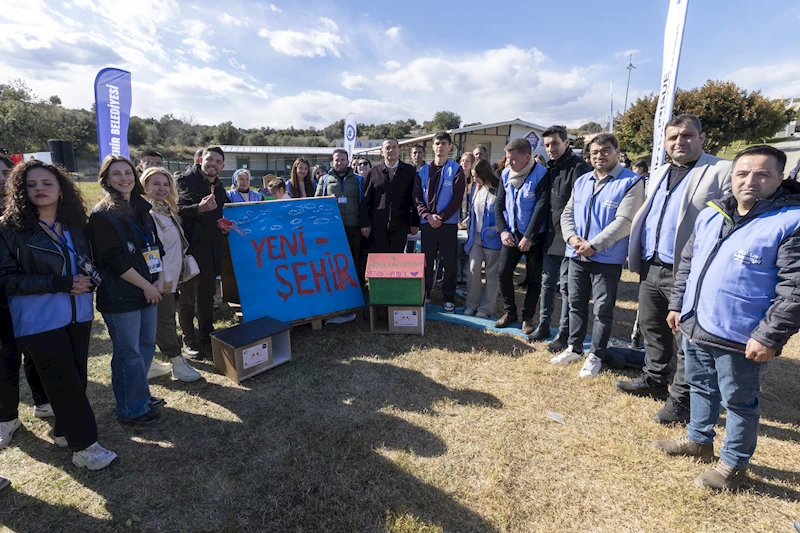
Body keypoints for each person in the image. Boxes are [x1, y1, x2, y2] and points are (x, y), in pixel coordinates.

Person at [652, 146, 800, 491]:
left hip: (742, 333)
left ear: (780, 177)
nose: (750, 181)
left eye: (762, 174)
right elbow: (688, 262)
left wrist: (769, 336)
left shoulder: (791, 222)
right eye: (742, 173)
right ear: (731, 176)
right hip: (697, 323)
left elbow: (795, 289)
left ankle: (733, 465)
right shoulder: (712, 213)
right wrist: (677, 305)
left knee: (739, 401)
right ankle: (698, 441)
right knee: (700, 386)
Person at [0, 159, 117, 468]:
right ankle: (85, 448)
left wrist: (90, 281)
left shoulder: (77, 225)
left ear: (61, 189)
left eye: (47, 183)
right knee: (64, 381)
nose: (39, 189)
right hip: (38, 320)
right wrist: (59, 283)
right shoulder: (10, 229)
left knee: (77, 378)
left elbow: (88, 262)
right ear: (20, 191)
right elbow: (6, 279)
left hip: (79, 315)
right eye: (31, 184)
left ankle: (64, 431)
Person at [617, 114, 732, 425]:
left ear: (702, 137)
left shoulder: (721, 170)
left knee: (684, 339)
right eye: (672, 138)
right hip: (652, 265)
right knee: (653, 328)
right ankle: (655, 379)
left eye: (687, 136)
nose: (679, 142)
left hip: (688, 272)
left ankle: (682, 400)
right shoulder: (661, 171)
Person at [551, 133, 645, 378]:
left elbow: (625, 221)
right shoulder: (582, 181)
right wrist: (572, 238)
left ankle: (596, 355)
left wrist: (595, 245)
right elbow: (567, 213)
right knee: (575, 304)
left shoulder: (631, 182)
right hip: (576, 254)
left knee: (602, 310)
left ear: (616, 151)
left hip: (606, 258)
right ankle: (574, 347)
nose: (599, 156)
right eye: (594, 152)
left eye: (605, 151)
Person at [89, 155, 166, 427]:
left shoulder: (142, 208)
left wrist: (158, 280)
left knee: (145, 347)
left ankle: (139, 395)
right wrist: (148, 286)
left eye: (128, 172)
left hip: (149, 290)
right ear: (107, 180)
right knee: (128, 354)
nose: (124, 178)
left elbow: (155, 247)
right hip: (122, 296)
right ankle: (131, 409)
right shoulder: (101, 216)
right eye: (116, 174)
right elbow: (114, 261)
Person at [0, 156, 53, 450]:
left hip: (31, 297)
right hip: (4, 299)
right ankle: (7, 417)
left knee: (36, 354)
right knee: (6, 360)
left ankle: (42, 400)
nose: (1, 179)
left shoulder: (31, 215)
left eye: (6, 172)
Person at [140, 168, 202, 383]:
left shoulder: (167, 210)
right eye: (155, 184)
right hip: (160, 278)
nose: (161, 188)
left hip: (170, 276)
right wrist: (162, 277)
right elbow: (151, 250)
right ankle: (177, 362)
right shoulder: (147, 215)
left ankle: (147, 364)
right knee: (165, 320)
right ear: (145, 185)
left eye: (165, 184)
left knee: (156, 320)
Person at [531, 126, 592, 346]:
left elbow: (582, 207)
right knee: (547, 284)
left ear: (567, 143)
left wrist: (575, 238)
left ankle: (564, 334)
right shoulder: (550, 168)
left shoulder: (580, 168)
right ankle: (544, 325)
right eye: (547, 145)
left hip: (571, 239)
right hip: (550, 237)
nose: (550, 149)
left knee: (567, 289)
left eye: (555, 143)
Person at [493, 138, 550, 333]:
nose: (508, 162)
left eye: (513, 159)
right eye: (507, 158)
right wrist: (502, 231)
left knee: (533, 279)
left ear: (527, 157)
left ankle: (527, 317)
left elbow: (542, 207)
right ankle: (510, 312)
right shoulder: (506, 174)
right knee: (503, 273)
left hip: (534, 236)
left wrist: (530, 236)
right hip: (511, 234)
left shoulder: (542, 174)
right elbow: (499, 204)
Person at [177, 146, 229, 357]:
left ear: (222, 166)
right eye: (210, 159)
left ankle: (207, 332)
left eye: (218, 161)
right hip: (190, 251)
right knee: (188, 298)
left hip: (211, 250)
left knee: (207, 295)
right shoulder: (184, 180)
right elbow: (176, 210)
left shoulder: (220, 187)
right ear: (201, 160)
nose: (213, 164)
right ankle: (188, 339)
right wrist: (198, 208)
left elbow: (219, 216)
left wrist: (223, 228)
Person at [413, 132, 466, 313]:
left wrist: (441, 217)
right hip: (427, 223)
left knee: (449, 262)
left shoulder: (456, 169)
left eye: (444, 143)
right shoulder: (423, 171)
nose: (440, 146)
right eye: (437, 143)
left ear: (449, 147)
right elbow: (417, 197)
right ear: (433, 146)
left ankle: (448, 297)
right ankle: (426, 293)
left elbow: (458, 198)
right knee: (426, 261)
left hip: (447, 224)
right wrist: (428, 216)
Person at [316, 148, 364, 291]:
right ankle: (335, 288)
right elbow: (317, 202)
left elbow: (364, 203)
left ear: (348, 161)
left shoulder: (359, 179)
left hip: (353, 227)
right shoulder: (324, 180)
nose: (340, 162)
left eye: (342, 159)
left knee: (355, 260)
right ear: (332, 161)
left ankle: (357, 289)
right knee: (333, 260)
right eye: (337, 160)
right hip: (333, 230)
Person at [361, 138, 420, 254]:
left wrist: (415, 223)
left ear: (399, 150)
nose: (391, 150)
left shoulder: (409, 171)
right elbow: (366, 200)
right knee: (381, 262)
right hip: (378, 225)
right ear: (381, 151)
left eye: (394, 147)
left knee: (396, 261)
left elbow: (415, 199)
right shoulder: (373, 172)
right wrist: (365, 224)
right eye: (387, 148)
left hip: (401, 225)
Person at [462, 159, 501, 318]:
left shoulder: (500, 189)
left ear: (485, 174)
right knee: (473, 270)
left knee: (492, 274)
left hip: (494, 238)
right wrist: (467, 221)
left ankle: (485, 308)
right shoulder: (476, 188)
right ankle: (471, 304)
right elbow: (474, 211)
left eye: (477, 176)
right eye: (473, 176)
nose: (475, 179)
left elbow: (506, 213)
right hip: (475, 237)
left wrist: (498, 228)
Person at [457, 153, 476, 286]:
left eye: (468, 161)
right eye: (462, 161)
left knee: (468, 249)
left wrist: (468, 220)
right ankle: (458, 276)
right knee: (457, 249)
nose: (464, 163)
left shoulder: (475, 182)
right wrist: (457, 221)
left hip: (471, 220)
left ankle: (465, 275)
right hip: (457, 218)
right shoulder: (455, 179)